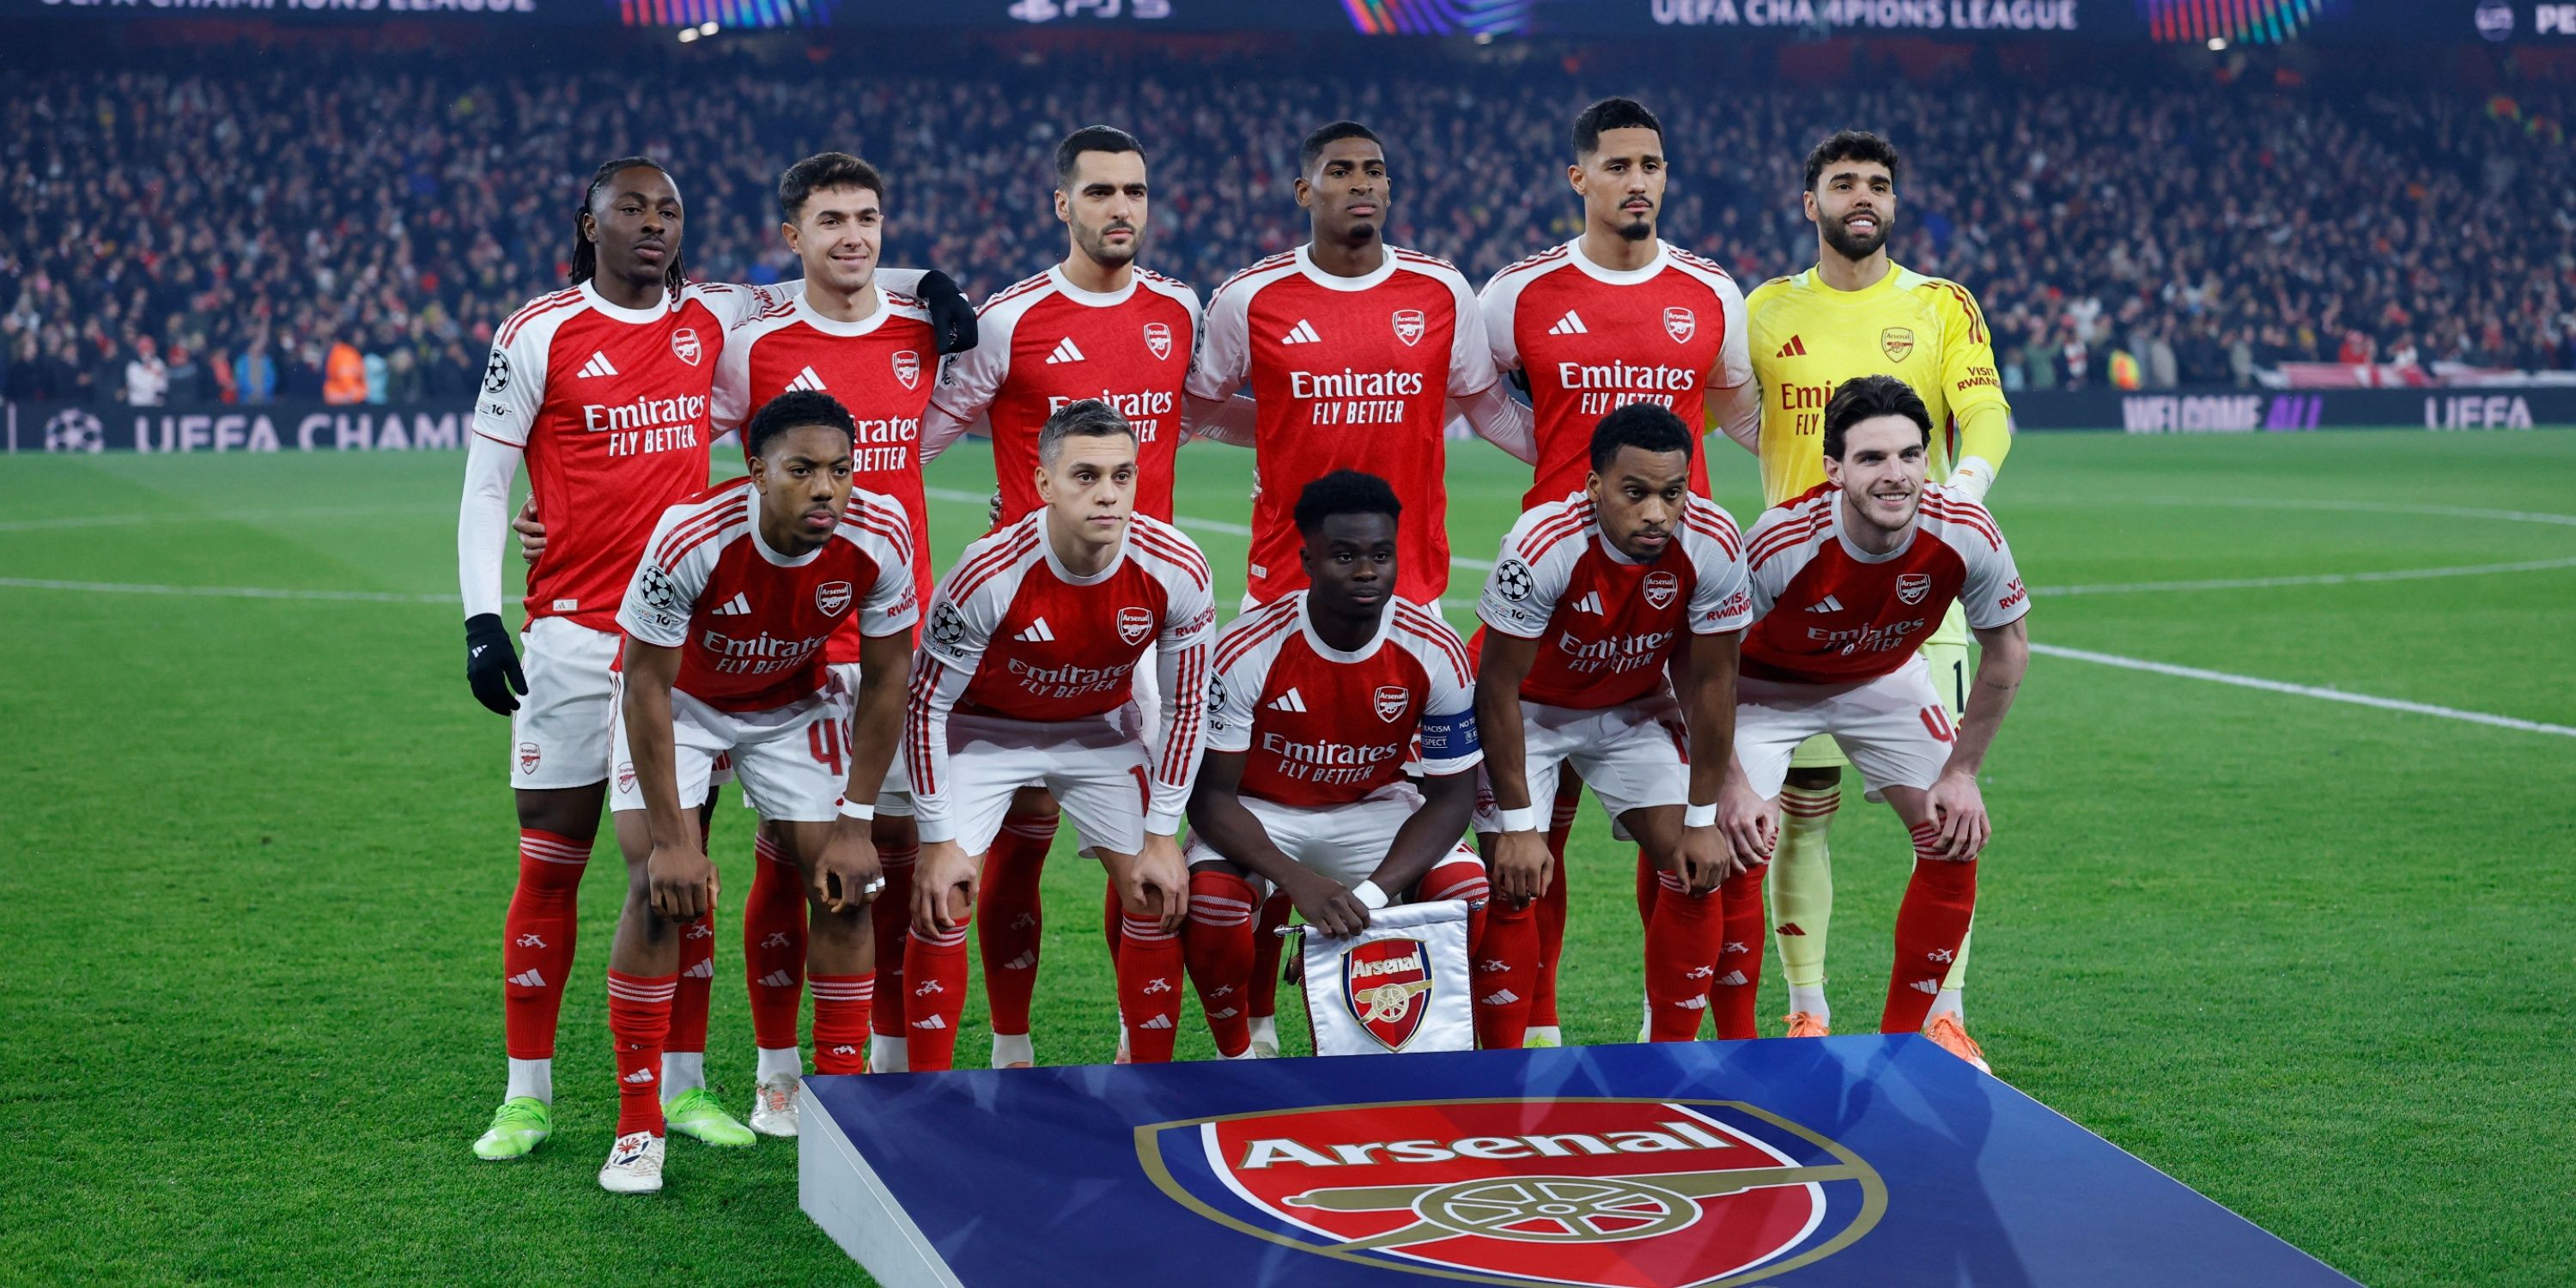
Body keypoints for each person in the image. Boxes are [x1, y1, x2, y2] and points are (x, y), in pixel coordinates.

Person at [457, 155, 772, 1161]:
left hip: (677, 650)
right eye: (631, 208)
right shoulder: (538, 331)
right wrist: (481, 618)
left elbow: (829, 275)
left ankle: (683, 1087)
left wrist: (924, 284)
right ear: (588, 223)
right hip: (569, 636)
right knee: (550, 861)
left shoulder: (711, 317)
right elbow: (488, 485)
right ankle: (527, 1096)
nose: (653, 224)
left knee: (678, 864)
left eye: (669, 210)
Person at [1711, 130, 2015, 1063]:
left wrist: (1962, 496)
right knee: (1797, 815)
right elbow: (1735, 407)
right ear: (1812, 203)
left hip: (1921, 607)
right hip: (1794, 603)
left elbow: (1985, 409)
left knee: (1949, 814)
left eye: (1878, 184)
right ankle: (1807, 1007)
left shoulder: (1939, 303)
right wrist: (1799, 476)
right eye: (1843, 183)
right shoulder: (1765, 309)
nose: (1863, 197)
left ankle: (1941, 1016)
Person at [920, 125, 1206, 1071]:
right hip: (1023, 626)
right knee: (1019, 849)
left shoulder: (1179, 310)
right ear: (1062, 205)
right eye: (1100, 192)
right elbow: (914, 438)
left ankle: (1137, 1049)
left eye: (1135, 191)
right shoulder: (1010, 321)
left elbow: (1215, 410)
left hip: (1142, 628)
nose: (1121, 208)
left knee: (1155, 860)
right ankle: (1011, 1048)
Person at [1475, 94, 1759, 1048]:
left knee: (1690, 833)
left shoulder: (1711, 291)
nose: (1638, 182)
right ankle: (1537, 1029)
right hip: (1561, 575)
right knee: (1532, 840)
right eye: (1619, 165)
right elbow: (1477, 396)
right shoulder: (1519, 292)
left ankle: (1665, 1034)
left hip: (1671, 582)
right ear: (1580, 177)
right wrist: (1558, 456)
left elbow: (1733, 403)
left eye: (1652, 165)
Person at [597, 390, 919, 1193]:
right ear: (756, 471)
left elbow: (888, 678)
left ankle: (839, 1115)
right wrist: (675, 841)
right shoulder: (692, 537)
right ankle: (638, 1127)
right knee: (657, 888)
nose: (825, 489)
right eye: (801, 470)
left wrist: (856, 823)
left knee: (847, 885)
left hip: (791, 706)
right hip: (681, 707)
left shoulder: (881, 533)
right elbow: (645, 685)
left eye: (840, 470)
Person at [1716, 374, 2030, 1068]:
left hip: (1881, 676)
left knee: (1952, 835)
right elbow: (1704, 664)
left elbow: (2009, 647)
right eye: (1872, 458)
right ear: (1834, 469)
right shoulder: (1781, 542)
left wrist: (1963, 772)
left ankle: (1900, 1049)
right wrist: (1730, 783)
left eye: (1910, 455)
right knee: (1735, 843)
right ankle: (1743, 1052)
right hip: (1764, 690)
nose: (1896, 475)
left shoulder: (1964, 530)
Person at [901, 399, 1214, 1071]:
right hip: (984, 731)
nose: (1108, 494)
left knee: (1155, 888)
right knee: (945, 892)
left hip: (1097, 730)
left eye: (1122, 476)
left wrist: (1164, 836)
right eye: (1086, 476)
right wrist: (937, 840)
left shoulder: (1177, 567)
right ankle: (944, 1085)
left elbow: (1188, 706)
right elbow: (925, 705)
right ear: (1044, 484)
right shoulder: (988, 572)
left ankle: (1149, 1085)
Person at [1182, 471, 1521, 1055]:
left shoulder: (1434, 649)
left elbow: (1451, 798)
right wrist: (1297, 881)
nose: (1367, 572)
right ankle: (1237, 1054)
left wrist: (1370, 897)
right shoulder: (1246, 649)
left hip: (1371, 809)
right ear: (1307, 560)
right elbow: (1210, 798)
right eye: (1345, 556)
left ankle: (1407, 1048)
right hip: (1262, 812)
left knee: (1465, 891)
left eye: (1381, 556)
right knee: (1213, 903)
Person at [1472, 404, 1753, 1046]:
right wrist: (1518, 826)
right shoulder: (1543, 544)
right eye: (1636, 493)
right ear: (1595, 486)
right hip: (1530, 711)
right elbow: (1497, 688)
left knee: (1695, 866)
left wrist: (1704, 819)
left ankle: (1669, 1061)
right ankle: (1505, 1070)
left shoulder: (1712, 539)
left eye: (1672, 493)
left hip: (1630, 706)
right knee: (1513, 881)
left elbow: (1714, 685)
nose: (1657, 512)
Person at [1187, 119, 1532, 613]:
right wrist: (1283, 430)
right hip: (1285, 583)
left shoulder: (1442, 289)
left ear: (1389, 188)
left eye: (1374, 171)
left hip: (1409, 584)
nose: (1361, 183)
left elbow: (1488, 410)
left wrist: (1593, 459)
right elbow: (1197, 411)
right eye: (1340, 171)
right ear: (1304, 192)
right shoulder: (1249, 297)